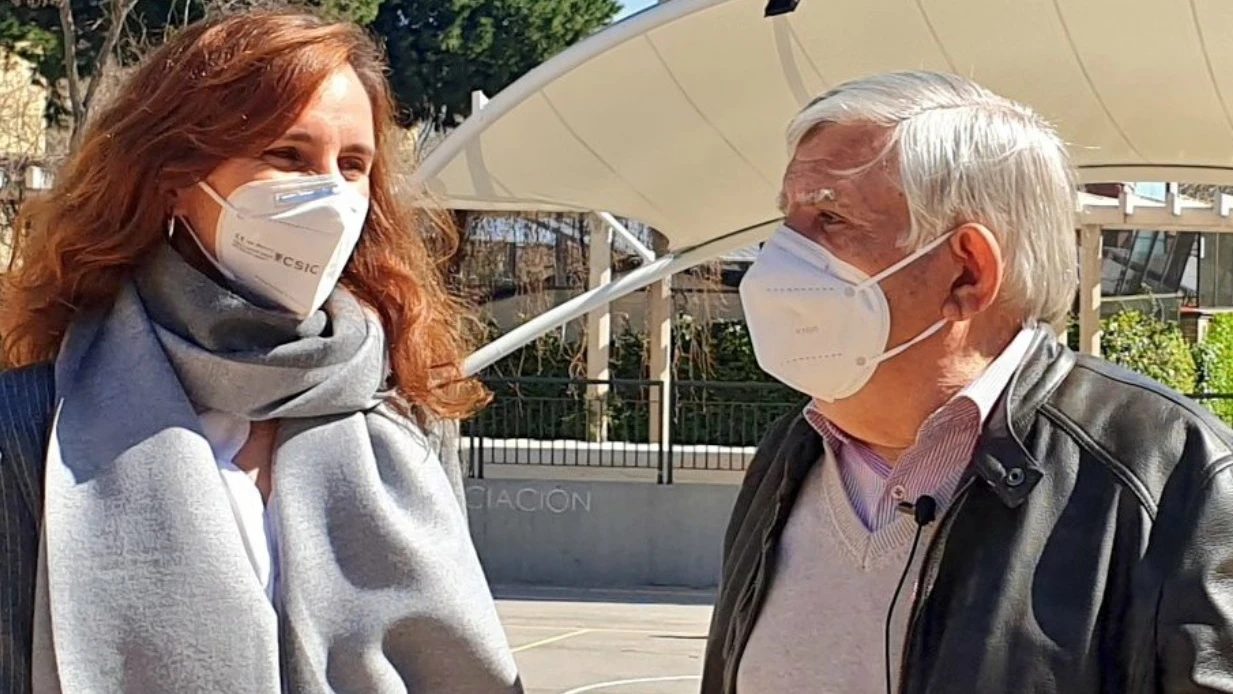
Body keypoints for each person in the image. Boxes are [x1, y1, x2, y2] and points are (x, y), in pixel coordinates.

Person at [0, 11, 522, 694]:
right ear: (177, 179)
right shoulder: (36, 420)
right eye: (288, 156)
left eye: (353, 165)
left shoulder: (407, 410)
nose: (331, 195)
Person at [702, 71, 1233, 694]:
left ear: (967, 274)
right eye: (786, 217)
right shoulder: (791, 455)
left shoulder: (1174, 478)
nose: (777, 256)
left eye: (830, 216)